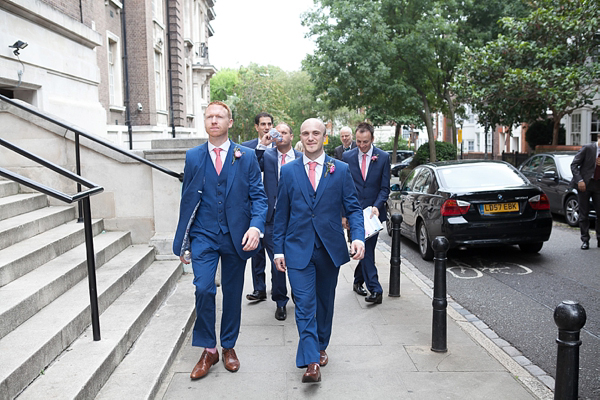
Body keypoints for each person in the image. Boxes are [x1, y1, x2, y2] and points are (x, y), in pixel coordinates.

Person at [172, 101, 267, 380]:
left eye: (219, 116)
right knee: (203, 289)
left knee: (233, 292)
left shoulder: (246, 156)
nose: (214, 120)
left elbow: (259, 198)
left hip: (236, 236)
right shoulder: (193, 157)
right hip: (203, 234)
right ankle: (208, 349)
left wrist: (256, 227)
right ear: (204, 122)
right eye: (209, 116)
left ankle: (228, 346)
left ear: (230, 122)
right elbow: (187, 201)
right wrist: (183, 241)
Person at [273, 118, 365, 383]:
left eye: (316, 133)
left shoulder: (341, 169)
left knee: (324, 302)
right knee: (303, 303)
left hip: (329, 248)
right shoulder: (289, 172)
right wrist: (278, 251)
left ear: (325, 137)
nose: (310, 137)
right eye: (305, 133)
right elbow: (281, 216)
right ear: (300, 138)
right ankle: (311, 361)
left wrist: (357, 236)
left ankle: (321, 344)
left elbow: (353, 208)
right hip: (297, 248)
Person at [256, 122, 303, 321]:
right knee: (277, 262)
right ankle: (280, 301)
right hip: (272, 218)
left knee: (297, 260)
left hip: (297, 218)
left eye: (285, 132)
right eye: (278, 132)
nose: (281, 135)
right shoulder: (267, 155)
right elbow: (252, 166)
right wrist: (263, 144)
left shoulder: (301, 158)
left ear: (292, 136)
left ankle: (299, 293)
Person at [342, 122, 390, 304]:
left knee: (366, 249)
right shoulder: (347, 157)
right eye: (359, 142)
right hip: (354, 213)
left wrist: (377, 206)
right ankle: (359, 281)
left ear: (373, 139)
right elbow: (343, 188)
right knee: (364, 249)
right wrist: (344, 214)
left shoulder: (383, 157)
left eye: (366, 142)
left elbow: (385, 188)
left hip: (372, 215)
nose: (362, 146)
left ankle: (375, 290)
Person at [243, 112, 274, 302]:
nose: (266, 127)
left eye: (269, 123)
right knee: (256, 250)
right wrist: (262, 146)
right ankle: (259, 288)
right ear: (256, 127)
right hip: (253, 206)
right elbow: (252, 168)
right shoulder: (246, 148)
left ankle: (279, 288)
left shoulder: (278, 147)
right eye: (263, 124)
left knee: (275, 250)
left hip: (273, 205)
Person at [570, 135, 600, 250]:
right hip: (584, 185)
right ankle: (585, 240)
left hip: (598, 185)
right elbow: (574, 165)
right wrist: (580, 180)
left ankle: (599, 239)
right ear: (598, 137)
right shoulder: (588, 148)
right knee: (584, 213)